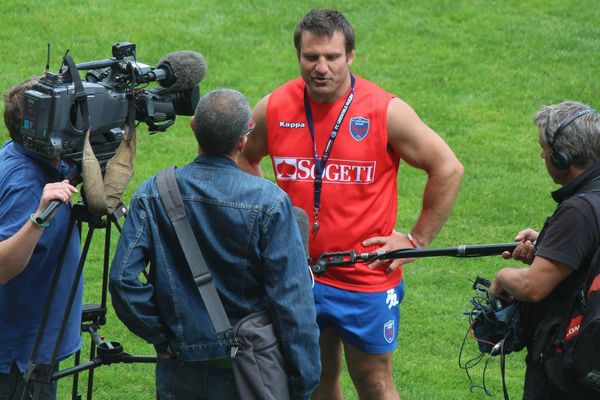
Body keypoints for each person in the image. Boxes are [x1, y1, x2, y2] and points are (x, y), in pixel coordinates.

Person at [238, 8, 464, 400]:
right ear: (299, 57)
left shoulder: (384, 110)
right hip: (296, 272)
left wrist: (415, 239)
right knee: (314, 380)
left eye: (332, 57)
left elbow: (447, 168)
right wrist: (269, 209)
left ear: (350, 56)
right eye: (311, 57)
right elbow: (243, 155)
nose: (321, 68)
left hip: (364, 275)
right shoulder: (274, 107)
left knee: (374, 382)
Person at [109, 88, 321, 400]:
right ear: (243, 138)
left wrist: (165, 338)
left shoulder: (153, 192)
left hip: (180, 371)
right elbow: (292, 303)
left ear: (193, 125)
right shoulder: (270, 202)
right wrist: (304, 380)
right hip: (251, 371)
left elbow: (122, 280)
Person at [490, 101, 600, 399]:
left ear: (564, 157)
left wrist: (502, 277)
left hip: (566, 371)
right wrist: (551, 246)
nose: (542, 154)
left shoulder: (579, 211)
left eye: (545, 148)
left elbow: (533, 286)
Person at [0, 78, 82, 399]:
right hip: (20, 359)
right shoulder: (26, 185)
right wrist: (39, 218)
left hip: (29, 349)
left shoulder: (24, 154)